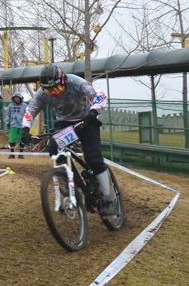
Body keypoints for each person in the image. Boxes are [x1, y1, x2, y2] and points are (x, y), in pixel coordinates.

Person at [21, 64, 117, 215]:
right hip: (66, 125)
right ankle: (69, 179)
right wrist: (25, 129)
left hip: (86, 121)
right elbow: (30, 110)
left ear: (64, 81)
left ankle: (109, 199)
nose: (54, 93)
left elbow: (99, 94)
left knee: (94, 159)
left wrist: (94, 110)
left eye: (57, 89)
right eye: (49, 91)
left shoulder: (75, 82)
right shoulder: (42, 93)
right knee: (54, 149)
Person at [6, 91, 28, 159]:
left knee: (22, 139)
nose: (17, 99)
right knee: (12, 139)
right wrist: (7, 122)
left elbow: (28, 115)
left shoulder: (25, 106)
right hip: (13, 125)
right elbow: (8, 115)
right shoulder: (10, 106)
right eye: (15, 98)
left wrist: (27, 124)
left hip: (22, 125)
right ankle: (12, 154)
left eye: (18, 98)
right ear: (13, 98)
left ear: (21, 98)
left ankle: (21, 154)